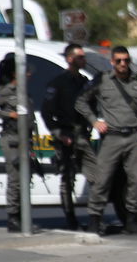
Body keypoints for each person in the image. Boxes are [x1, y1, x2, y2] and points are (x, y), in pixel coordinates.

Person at [74, 45, 137, 235]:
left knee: (136, 181)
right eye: (118, 61)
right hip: (112, 137)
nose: (123, 64)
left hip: (134, 136)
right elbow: (80, 101)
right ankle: (95, 219)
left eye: (126, 60)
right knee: (102, 180)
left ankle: (132, 220)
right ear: (112, 62)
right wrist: (95, 121)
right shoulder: (102, 80)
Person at [41, 43, 96, 230]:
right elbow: (47, 113)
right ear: (70, 59)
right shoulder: (58, 83)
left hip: (82, 135)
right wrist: (59, 133)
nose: (84, 60)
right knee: (67, 178)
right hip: (65, 136)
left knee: (96, 176)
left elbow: (92, 107)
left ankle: (95, 218)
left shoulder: (84, 82)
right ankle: (70, 218)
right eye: (80, 57)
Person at [0, 54, 33, 232]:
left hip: (25, 140)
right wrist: (7, 115)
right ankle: (13, 216)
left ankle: (24, 215)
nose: (29, 74)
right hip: (11, 139)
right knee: (15, 178)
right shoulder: (4, 91)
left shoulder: (25, 92)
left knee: (26, 178)